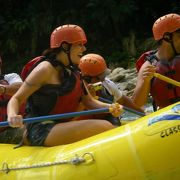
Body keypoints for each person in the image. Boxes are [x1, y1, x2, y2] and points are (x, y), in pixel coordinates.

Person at [7, 24, 123, 147]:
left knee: (108, 125)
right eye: (79, 44)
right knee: (104, 127)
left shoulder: (74, 71)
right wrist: (12, 115)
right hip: (40, 128)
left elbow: (89, 101)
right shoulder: (44, 70)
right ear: (65, 46)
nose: (84, 49)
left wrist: (110, 107)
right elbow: (17, 98)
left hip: (59, 125)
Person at [78, 53, 144, 125]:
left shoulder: (107, 83)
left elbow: (123, 100)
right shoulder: (76, 89)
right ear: (87, 78)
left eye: (104, 75)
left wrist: (144, 114)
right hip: (85, 125)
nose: (104, 79)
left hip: (108, 120)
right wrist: (88, 100)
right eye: (101, 77)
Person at [132, 13, 180, 110]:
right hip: (168, 118)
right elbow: (136, 103)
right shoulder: (148, 66)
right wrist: (146, 82)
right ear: (167, 37)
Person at [0, 54, 24, 144]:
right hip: (3, 132)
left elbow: (22, 88)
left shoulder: (11, 77)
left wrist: (3, 89)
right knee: (29, 132)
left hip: (16, 126)